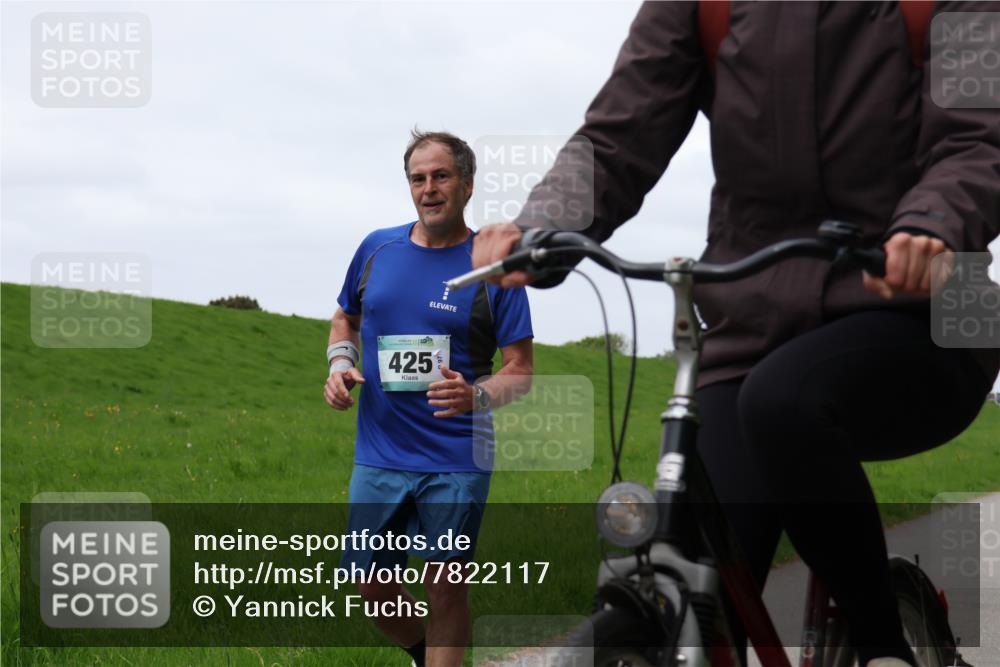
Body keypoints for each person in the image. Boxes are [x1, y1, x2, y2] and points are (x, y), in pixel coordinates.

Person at [470, 3, 999, 666]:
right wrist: (543, 224)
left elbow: (978, 138)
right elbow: (615, 137)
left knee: (785, 403)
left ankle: (880, 645)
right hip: (752, 323)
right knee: (708, 583)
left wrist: (933, 224)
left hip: (921, 311)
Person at [325, 130, 534, 667]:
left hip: (456, 457)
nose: (429, 188)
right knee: (371, 586)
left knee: (445, 586)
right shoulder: (378, 249)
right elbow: (344, 315)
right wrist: (341, 364)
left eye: (441, 176)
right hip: (380, 453)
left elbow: (520, 371)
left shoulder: (493, 267)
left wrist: (476, 395)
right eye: (418, 178)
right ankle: (426, 654)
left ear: (466, 184)